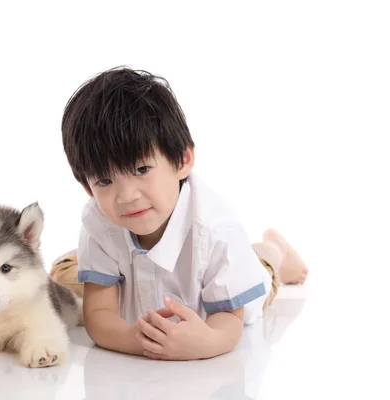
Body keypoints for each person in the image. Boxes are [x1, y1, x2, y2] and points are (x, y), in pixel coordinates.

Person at [49, 66, 308, 361]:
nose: (127, 196)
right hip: (135, 279)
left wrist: (207, 342)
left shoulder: (217, 231)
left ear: (183, 160)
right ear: (87, 188)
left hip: (224, 294)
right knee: (61, 274)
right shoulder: (99, 221)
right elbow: (99, 313)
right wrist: (130, 339)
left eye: (142, 169)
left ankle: (275, 248)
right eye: (105, 181)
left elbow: (230, 322)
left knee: (261, 274)